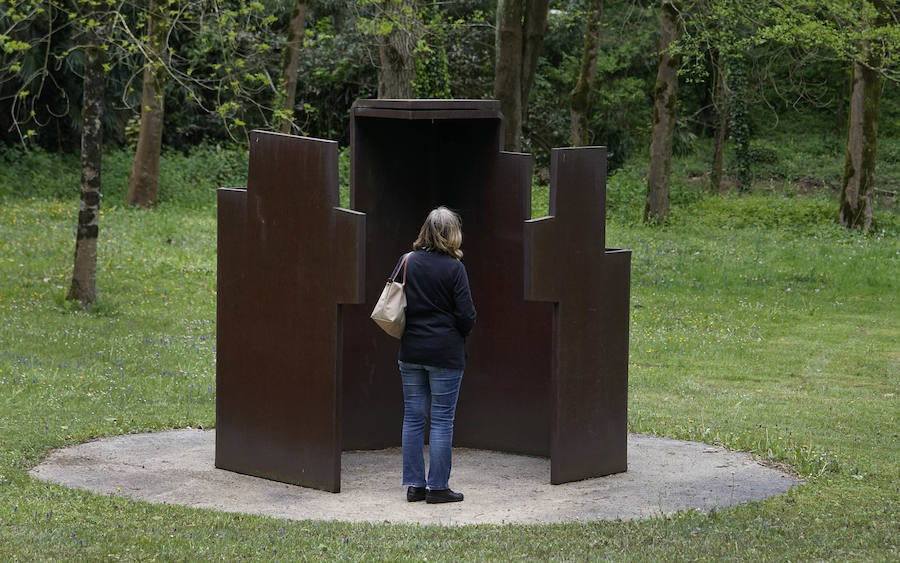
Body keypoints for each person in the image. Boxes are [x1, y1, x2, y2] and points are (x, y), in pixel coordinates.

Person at [396, 206, 476, 504]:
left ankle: (415, 486)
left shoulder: (408, 261)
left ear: (425, 231)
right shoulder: (455, 268)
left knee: (413, 418)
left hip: (411, 349)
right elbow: (466, 315)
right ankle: (438, 488)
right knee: (442, 420)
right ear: (452, 233)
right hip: (445, 354)